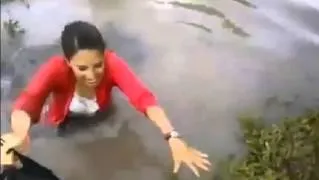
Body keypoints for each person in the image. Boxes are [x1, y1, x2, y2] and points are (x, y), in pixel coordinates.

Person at [1, 21, 211, 177]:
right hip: (64, 121)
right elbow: (27, 102)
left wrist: (172, 136)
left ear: (104, 56)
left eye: (98, 65)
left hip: (101, 115)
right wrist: (21, 134)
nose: (92, 75)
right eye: (82, 68)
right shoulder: (55, 69)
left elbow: (143, 97)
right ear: (68, 62)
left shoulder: (113, 63)